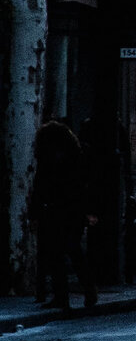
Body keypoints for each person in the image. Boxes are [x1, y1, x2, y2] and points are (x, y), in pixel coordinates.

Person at [31, 118, 97, 311]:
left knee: (58, 254)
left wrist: (35, 212)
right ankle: (87, 290)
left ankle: (64, 296)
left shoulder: (48, 158)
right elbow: (87, 186)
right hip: (71, 210)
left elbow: (40, 186)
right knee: (71, 251)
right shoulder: (78, 155)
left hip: (55, 210)